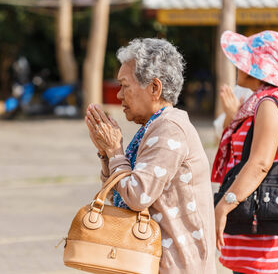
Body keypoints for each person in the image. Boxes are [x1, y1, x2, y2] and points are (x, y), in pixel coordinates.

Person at [85, 38, 216, 274]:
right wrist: (107, 155)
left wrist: (116, 151)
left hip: (177, 265)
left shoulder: (169, 128)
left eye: (125, 86)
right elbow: (119, 192)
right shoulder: (155, 126)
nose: (119, 96)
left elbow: (137, 195)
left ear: (154, 88)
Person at [212, 30, 278, 274]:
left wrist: (224, 205)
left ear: (256, 67)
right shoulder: (263, 101)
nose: (237, 65)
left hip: (259, 221)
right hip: (254, 220)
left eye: (243, 60)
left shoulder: (268, 103)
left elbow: (260, 163)